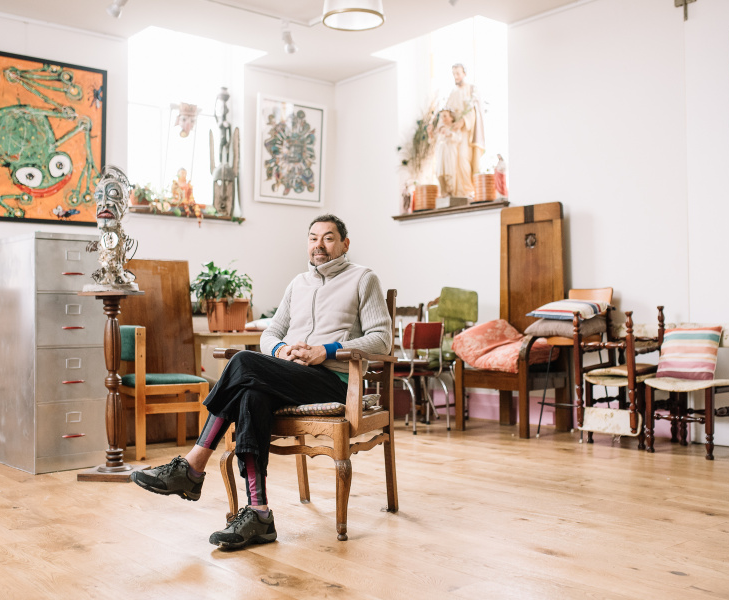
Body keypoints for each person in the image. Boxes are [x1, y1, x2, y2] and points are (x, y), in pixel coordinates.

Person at [130, 214, 392, 550]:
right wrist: (281, 350)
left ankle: (193, 466)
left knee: (242, 361)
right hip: (292, 375)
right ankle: (259, 514)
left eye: (328, 238)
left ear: (345, 244)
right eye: (313, 238)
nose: (319, 245)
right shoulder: (298, 284)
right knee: (251, 396)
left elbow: (382, 339)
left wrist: (324, 350)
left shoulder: (363, 278)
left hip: (335, 380)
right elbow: (271, 333)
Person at [445, 63, 485, 199]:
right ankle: (456, 192)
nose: (456, 76)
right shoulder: (453, 93)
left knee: (463, 158)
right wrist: (448, 122)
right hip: (454, 132)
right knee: (453, 161)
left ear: (464, 74)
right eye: (454, 74)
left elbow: (474, 111)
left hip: (466, 132)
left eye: (458, 73)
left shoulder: (471, 90)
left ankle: (468, 190)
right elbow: (447, 111)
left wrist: (462, 122)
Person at [428, 109, 470, 198]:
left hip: (450, 153)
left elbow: (458, 139)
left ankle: (452, 193)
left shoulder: (454, 128)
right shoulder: (439, 130)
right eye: (441, 116)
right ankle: (444, 193)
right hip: (441, 154)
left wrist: (450, 134)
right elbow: (433, 142)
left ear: (451, 118)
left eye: (445, 116)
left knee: (449, 172)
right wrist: (430, 133)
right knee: (440, 173)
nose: (443, 118)